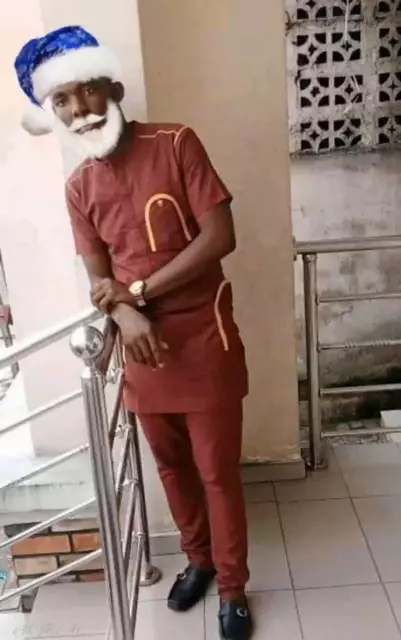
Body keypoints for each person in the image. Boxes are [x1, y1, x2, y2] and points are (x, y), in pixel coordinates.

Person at [14, 25, 253, 640]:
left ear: (114, 88)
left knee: (216, 471)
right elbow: (101, 280)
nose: (80, 110)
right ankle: (199, 561)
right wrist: (124, 313)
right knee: (171, 467)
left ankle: (232, 587)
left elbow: (219, 237)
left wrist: (138, 293)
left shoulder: (176, 143)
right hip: (142, 347)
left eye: (88, 91)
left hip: (205, 335)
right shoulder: (78, 188)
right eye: (62, 101)